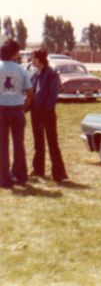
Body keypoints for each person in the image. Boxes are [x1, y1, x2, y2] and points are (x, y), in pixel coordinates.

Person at [29, 49, 68, 183]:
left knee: (52, 143)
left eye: (33, 58)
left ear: (40, 59)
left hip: (47, 114)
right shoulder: (34, 75)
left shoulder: (51, 74)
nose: (31, 60)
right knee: (38, 142)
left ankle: (60, 174)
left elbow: (53, 95)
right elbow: (31, 95)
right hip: (35, 113)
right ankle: (38, 169)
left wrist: (44, 111)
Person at [0, 38, 33, 187]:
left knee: (2, 145)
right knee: (19, 144)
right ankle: (21, 175)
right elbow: (30, 92)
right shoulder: (21, 69)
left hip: (1, 109)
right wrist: (24, 107)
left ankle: (4, 178)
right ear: (14, 54)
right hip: (17, 109)